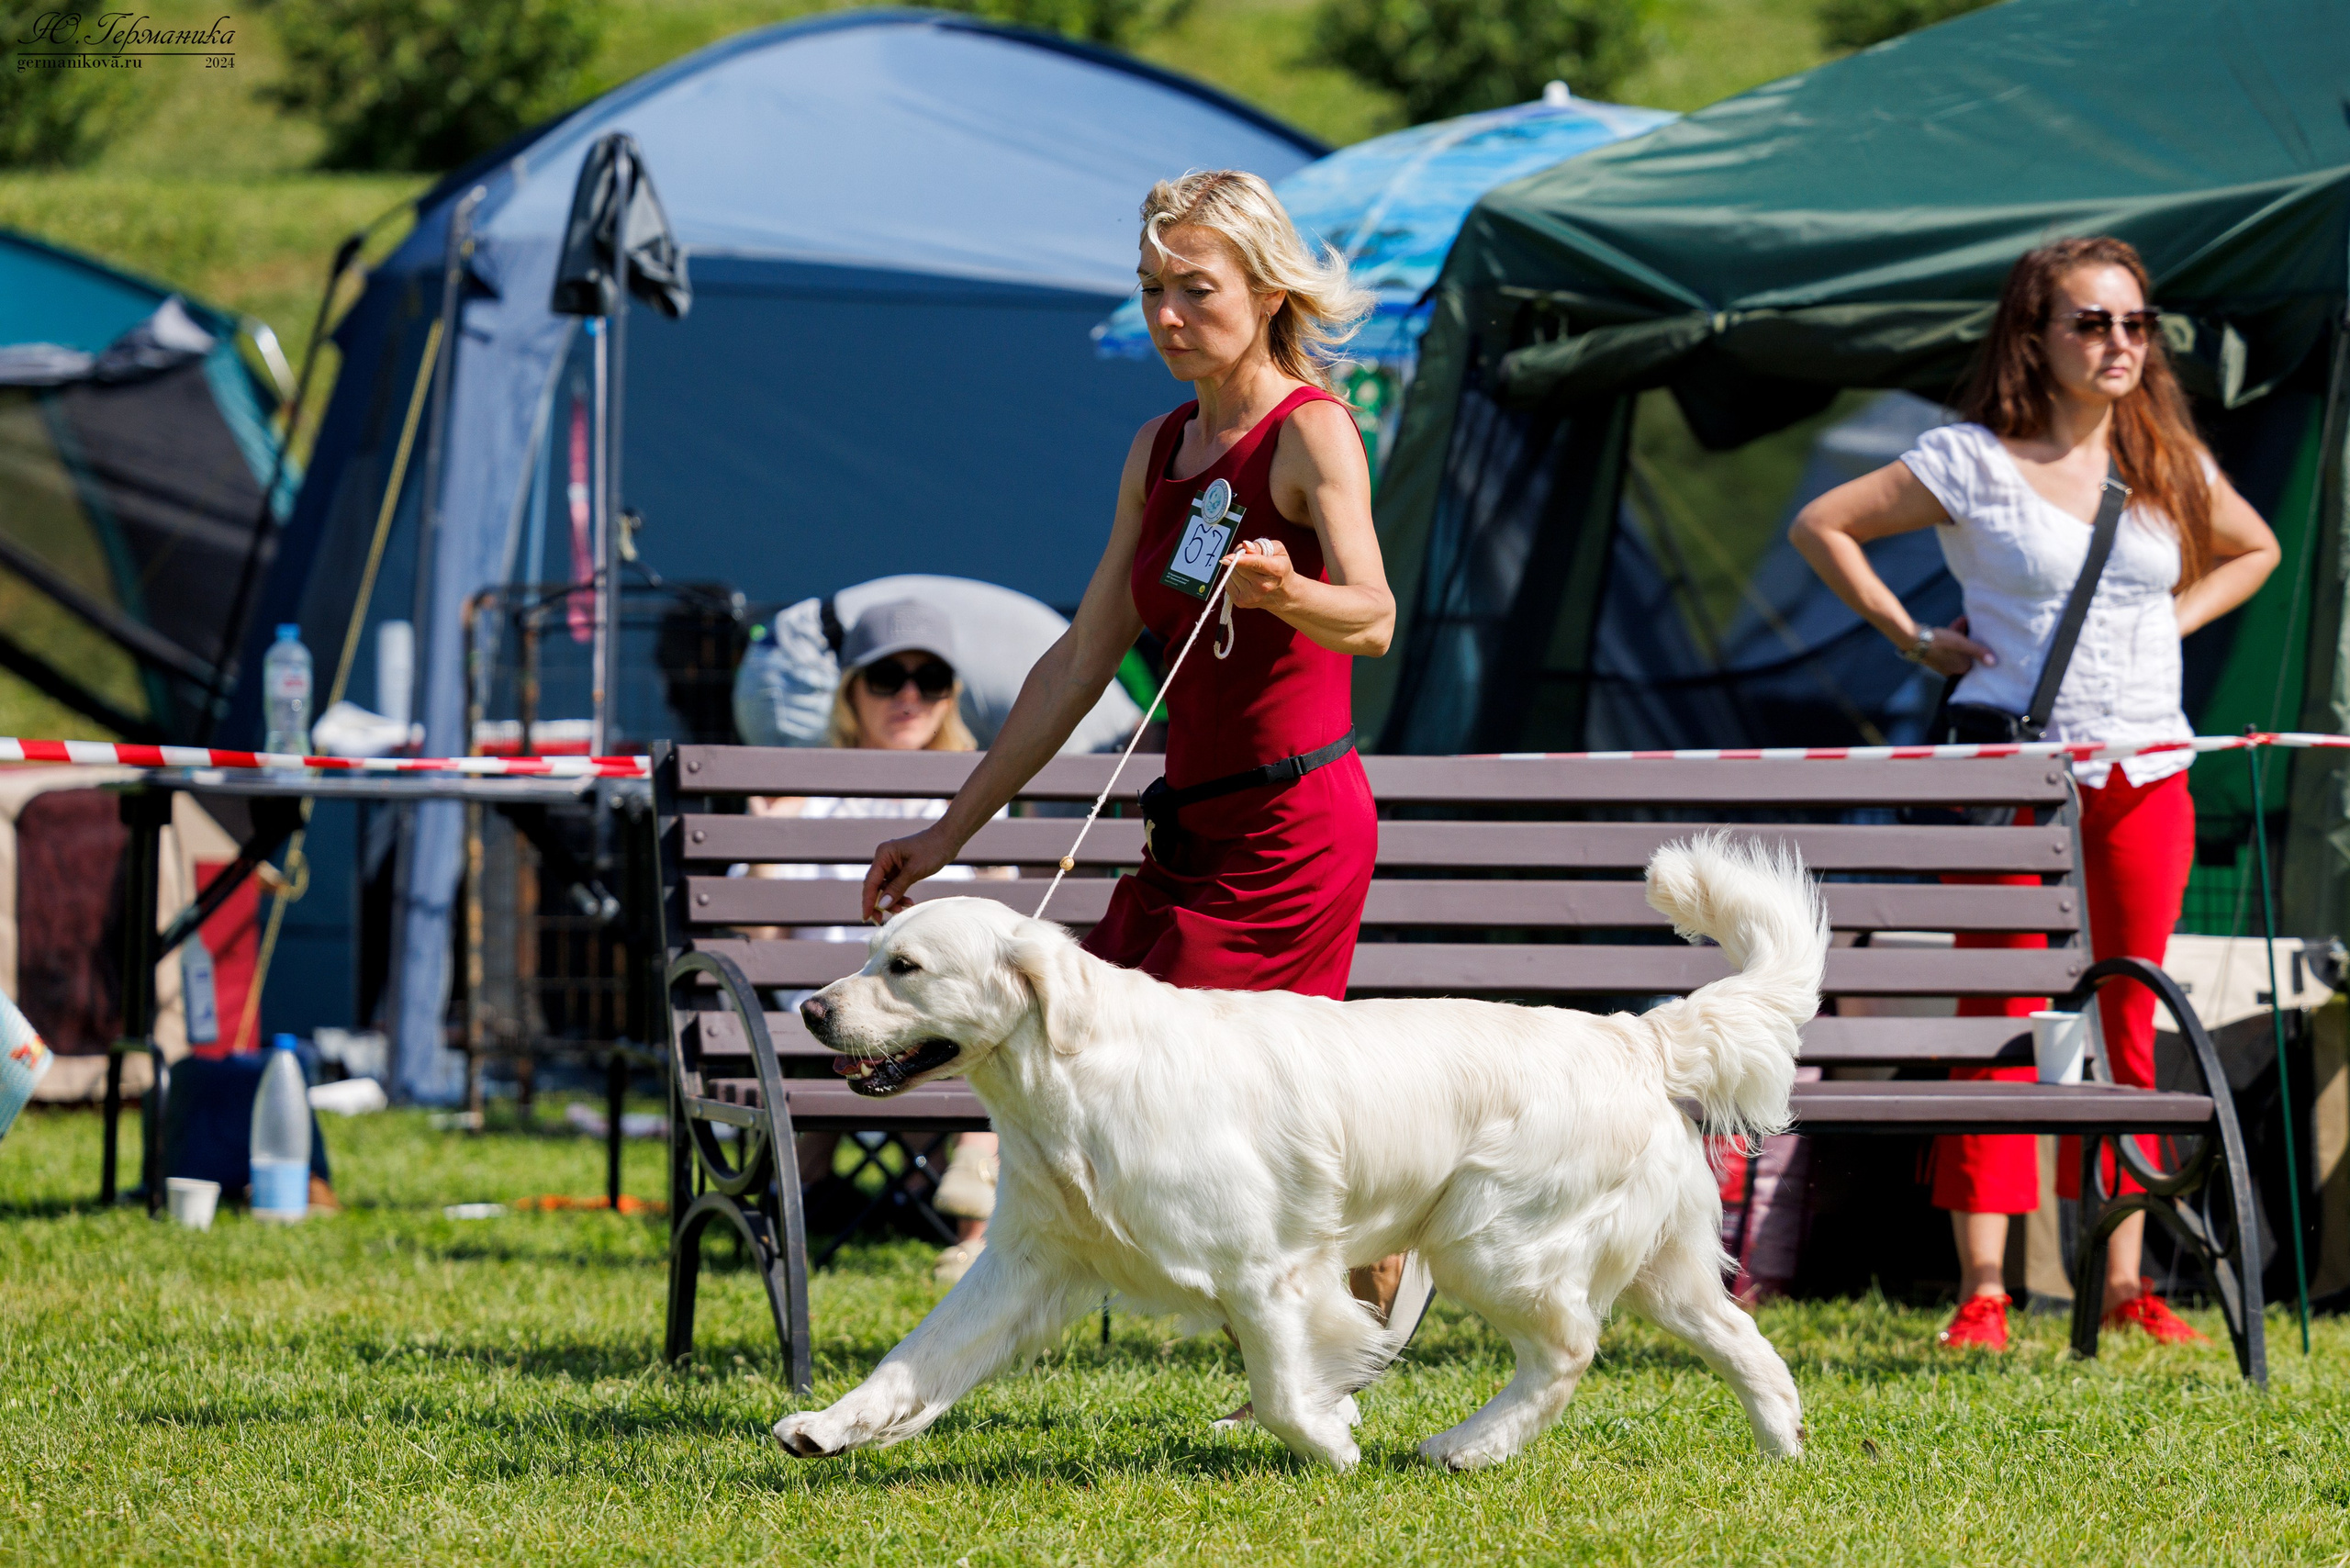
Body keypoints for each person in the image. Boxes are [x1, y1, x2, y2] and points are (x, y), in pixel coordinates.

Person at [859, 170, 1406, 1421]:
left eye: (1194, 289)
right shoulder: (1159, 449)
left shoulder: (1314, 431)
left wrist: (1288, 594)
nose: (1168, 314)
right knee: (1091, 1051)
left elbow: (1372, 615)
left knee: (1225, 1103)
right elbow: (1078, 657)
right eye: (1152, 289)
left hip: (1293, 831)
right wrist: (947, 833)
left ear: (1267, 293)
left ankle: (1334, 1330)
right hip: (1188, 828)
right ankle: (1341, 1289)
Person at [1791, 235, 2280, 1351]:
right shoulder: (1969, 459)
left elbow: (2254, 548)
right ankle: (1984, 1287)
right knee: (1997, 1020)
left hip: (2147, 769)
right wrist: (1910, 636)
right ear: (2035, 335)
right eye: (2092, 322)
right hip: (2014, 774)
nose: (2119, 342)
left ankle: (2125, 1280)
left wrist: (2173, 622)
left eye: (2135, 323)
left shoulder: (2163, 455)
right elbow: (1823, 524)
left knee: (2128, 1018)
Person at [747, 597, 1003, 1283]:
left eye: (931, 681)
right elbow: (758, 942)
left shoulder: (978, 795)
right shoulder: (805, 797)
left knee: (984, 1034)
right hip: (822, 1024)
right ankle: (819, 1210)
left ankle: (974, 1234)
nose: (910, 696)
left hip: (929, 1027)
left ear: (951, 697)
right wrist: (769, 846)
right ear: (850, 690)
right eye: (888, 678)